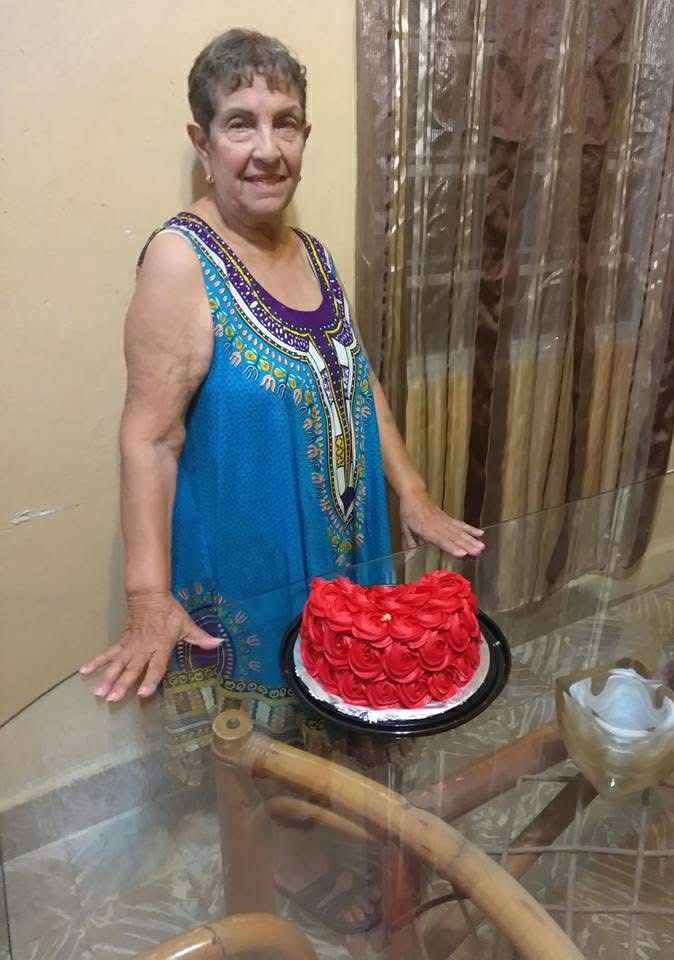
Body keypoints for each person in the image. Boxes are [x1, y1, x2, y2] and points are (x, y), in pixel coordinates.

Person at [80, 28, 484, 930]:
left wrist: (414, 495)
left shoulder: (312, 252)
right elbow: (149, 437)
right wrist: (146, 595)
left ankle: (332, 845)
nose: (268, 148)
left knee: (336, 723)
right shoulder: (182, 259)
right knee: (262, 762)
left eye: (286, 123)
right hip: (249, 566)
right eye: (241, 123)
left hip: (340, 555)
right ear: (202, 142)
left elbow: (359, 379)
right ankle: (281, 891)